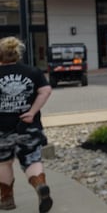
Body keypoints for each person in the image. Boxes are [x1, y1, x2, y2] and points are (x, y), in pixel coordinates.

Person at [0, 36, 53, 212]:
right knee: (32, 160)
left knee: (4, 163)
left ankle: (7, 200)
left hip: (2, 128)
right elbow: (46, 90)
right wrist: (32, 112)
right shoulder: (32, 71)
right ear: (18, 53)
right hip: (28, 126)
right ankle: (40, 185)